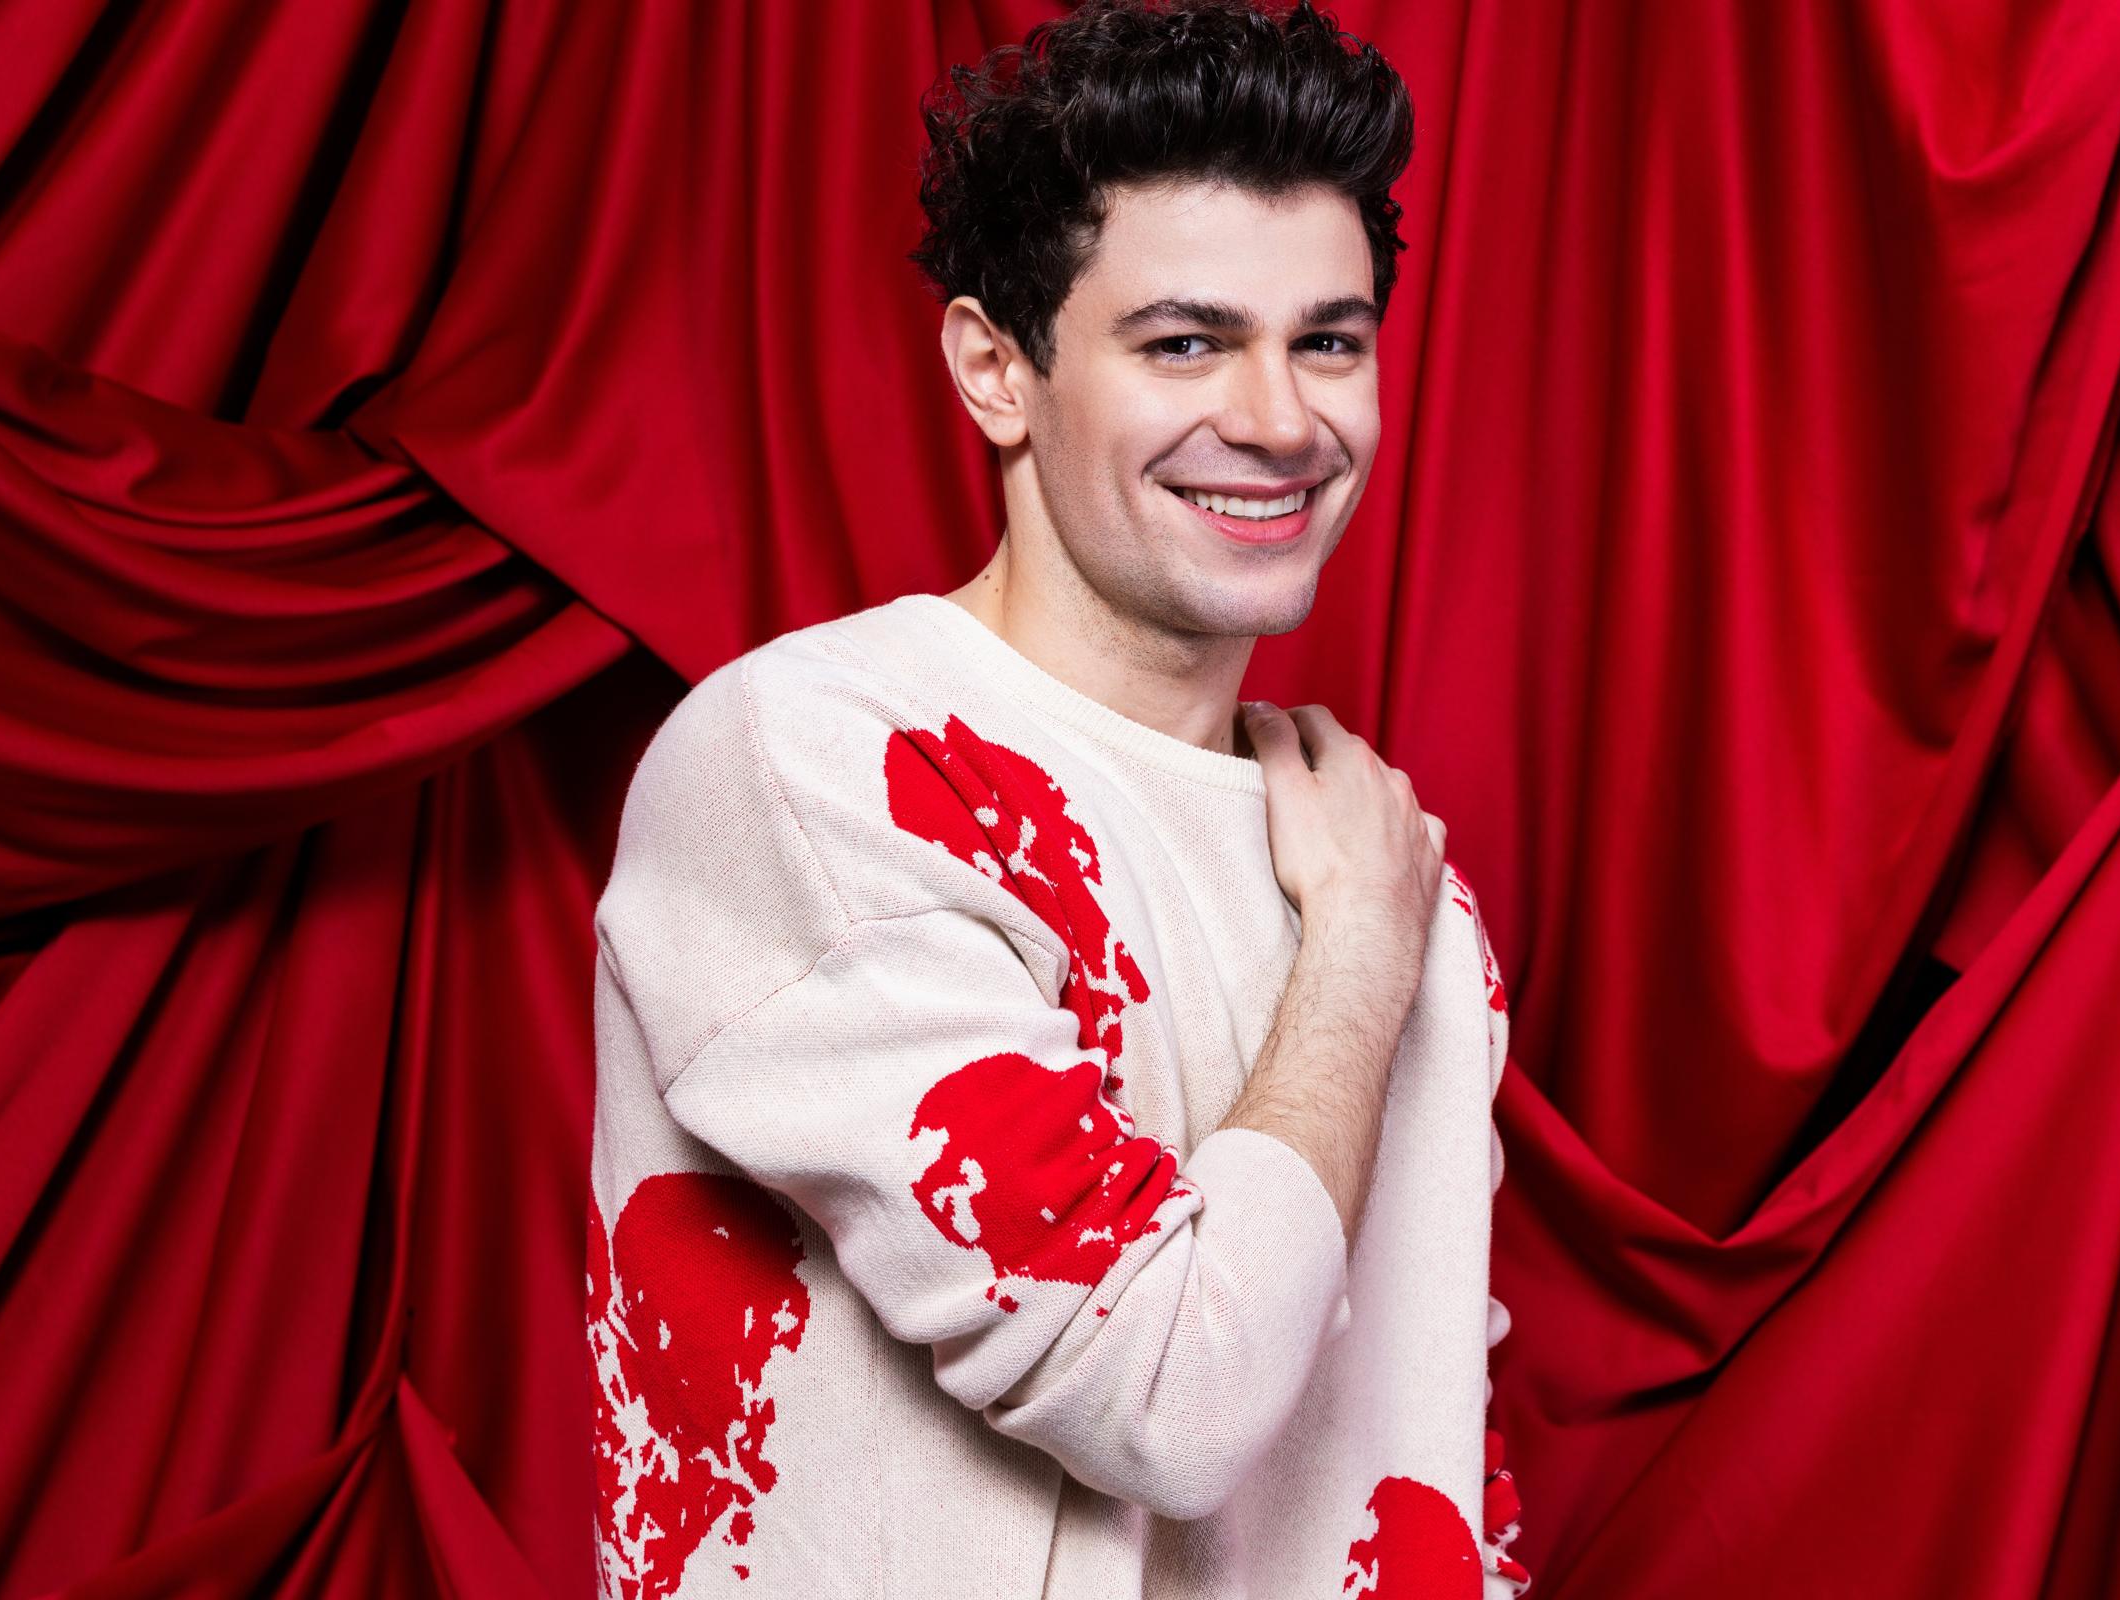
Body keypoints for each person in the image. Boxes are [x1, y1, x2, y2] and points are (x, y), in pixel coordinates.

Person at [585, 2, 1526, 1594]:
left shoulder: (1386, 868)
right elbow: (1169, 1393)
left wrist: (1387, 934)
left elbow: (1434, 1434)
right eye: (1185, 342)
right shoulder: (824, 766)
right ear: (995, 371)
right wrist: (1358, 963)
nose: (1285, 421)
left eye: (1330, 340)